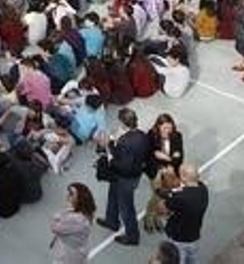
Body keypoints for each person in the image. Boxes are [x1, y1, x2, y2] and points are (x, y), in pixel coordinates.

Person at [98, 107, 148, 246]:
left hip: (125, 178)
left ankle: (132, 236)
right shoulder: (142, 135)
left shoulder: (125, 141)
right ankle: (111, 220)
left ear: (122, 123)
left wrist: (110, 155)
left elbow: (123, 165)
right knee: (113, 195)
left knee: (126, 207)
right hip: (134, 174)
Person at [160, 163, 209, 264]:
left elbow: (163, 208)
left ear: (184, 178)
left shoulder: (180, 197)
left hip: (178, 239)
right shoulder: (203, 189)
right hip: (194, 237)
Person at [50, 182, 95, 263]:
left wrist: (57, 216)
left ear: (80, 198)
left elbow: (54, 227)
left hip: (68, 254)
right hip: (79, 249)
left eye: (71, 194)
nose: (67, 196)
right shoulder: (85, 212)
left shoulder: (75, 219)